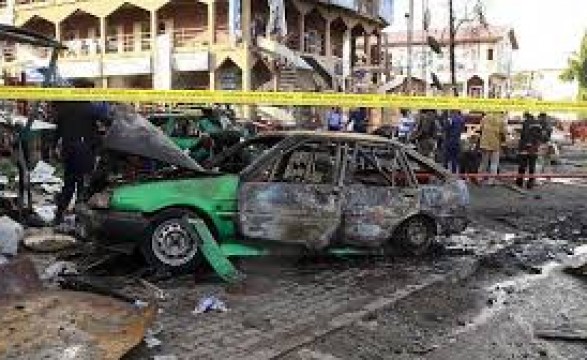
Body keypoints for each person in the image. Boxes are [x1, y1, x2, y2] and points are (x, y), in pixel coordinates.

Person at [53, 78, 107, 226]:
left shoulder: (65, 107)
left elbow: (57, 131)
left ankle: (59, 216)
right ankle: (79, 219)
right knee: (82, 186)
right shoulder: (90, 108)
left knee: (69, 184)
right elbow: (107, 119)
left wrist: (52, 148)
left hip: (69, 152)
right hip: (84, 152)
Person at [516, 112, 547, 189]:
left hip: (524, 147)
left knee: (522, 166)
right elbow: (542, 137)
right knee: (532, 166)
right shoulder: (539, 125)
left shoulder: (525, 123)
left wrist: (522, 145)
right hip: (534, 148)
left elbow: (524, 135)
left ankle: (519, 182)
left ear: (526, 116)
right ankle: (530, 183)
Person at [477, 112, 507, 185]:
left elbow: (480, 129)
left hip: (485, 143)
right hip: (495, 144)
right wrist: (503, 142)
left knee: (484, 162)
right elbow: (503, 133)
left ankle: (480, 178)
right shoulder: (501, 119)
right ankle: (491, 180)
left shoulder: (485, 117)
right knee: (494, 163)